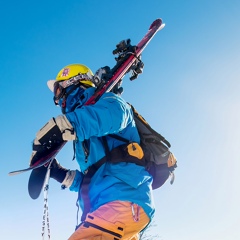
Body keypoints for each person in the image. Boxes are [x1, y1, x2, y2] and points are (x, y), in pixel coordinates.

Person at [30, 63, 155, 240]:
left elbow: (113, 115)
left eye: (58, 91)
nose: (57, 100)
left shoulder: (109, 102)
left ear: (73, 82)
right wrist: (59, 173)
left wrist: (60, 127)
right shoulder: (85, 139)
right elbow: (92, 179)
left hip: (122, 201)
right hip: (106, 210)